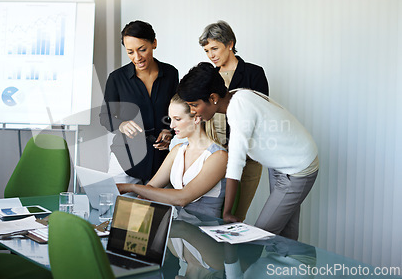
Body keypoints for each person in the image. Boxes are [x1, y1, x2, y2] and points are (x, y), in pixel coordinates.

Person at [177, 62, 319, 240]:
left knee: (260, 236)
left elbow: (235, 163)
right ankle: (292, 266)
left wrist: (228, 212)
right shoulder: (238, 95)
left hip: (298, 167)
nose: (192, 111)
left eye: (194, 105)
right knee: (285, 231)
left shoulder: (239, 110)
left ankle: (300, 264)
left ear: (213, 98)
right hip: (280, 163)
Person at [199, 20, 269, 222]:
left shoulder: (254, 73)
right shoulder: (207, 76)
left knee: (236, 216)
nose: (211, 55)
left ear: (230, 44)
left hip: (247, 158)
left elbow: (260, 116)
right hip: (213, 156)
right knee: (212, 216)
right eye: (206, 50)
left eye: (215, 48)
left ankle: (233, 254)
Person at [117, 94, 228, 217]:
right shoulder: (177, 150)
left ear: (196, 118)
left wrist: (131, 187)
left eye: (178, 119)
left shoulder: (219, 156)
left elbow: (182, 198)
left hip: (203, 230)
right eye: (171, 119)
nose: (171, 126)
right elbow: (150, 188)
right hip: (175, 225)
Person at [100, 20, 179, 183]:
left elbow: (177, 113)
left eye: (142, 49)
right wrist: (121, 125)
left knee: (158, 208)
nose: (137, 58)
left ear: (154, 43)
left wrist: (169, 132)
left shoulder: (171, 74)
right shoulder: (117, 78)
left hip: (160, 162)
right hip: (124, 161)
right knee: (119, 208)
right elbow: (105, 117)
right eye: (130, 52)